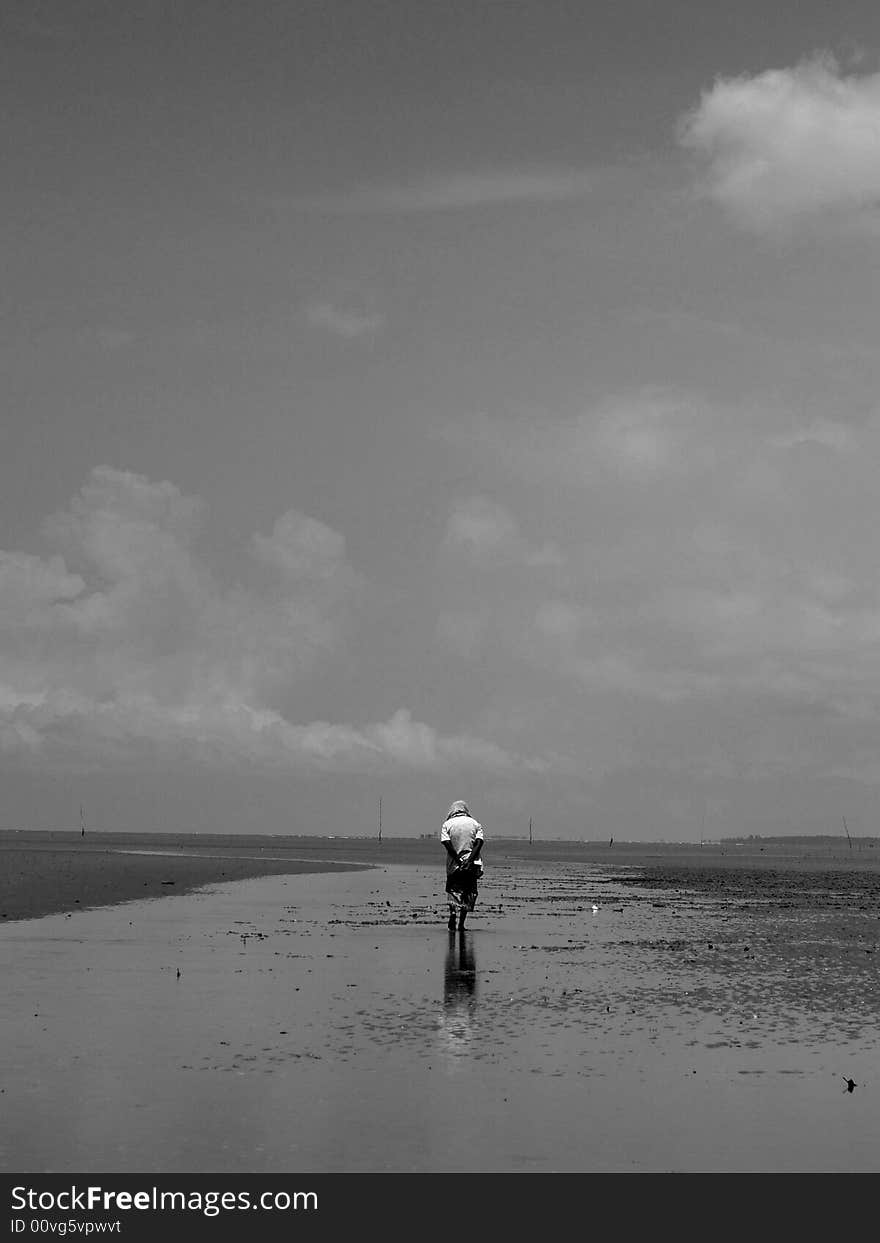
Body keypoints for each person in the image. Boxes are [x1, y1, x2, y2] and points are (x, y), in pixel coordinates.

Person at [440, 799, 484, 931]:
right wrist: (469, 860)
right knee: (468, 891)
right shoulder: (475, 824)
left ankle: (453, 913)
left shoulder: (447, 824)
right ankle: (461, 924)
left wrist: (459, 861)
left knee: (453, 890)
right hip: (471, 865)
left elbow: (446, 844)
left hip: (454, 865)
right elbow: (479, 843)